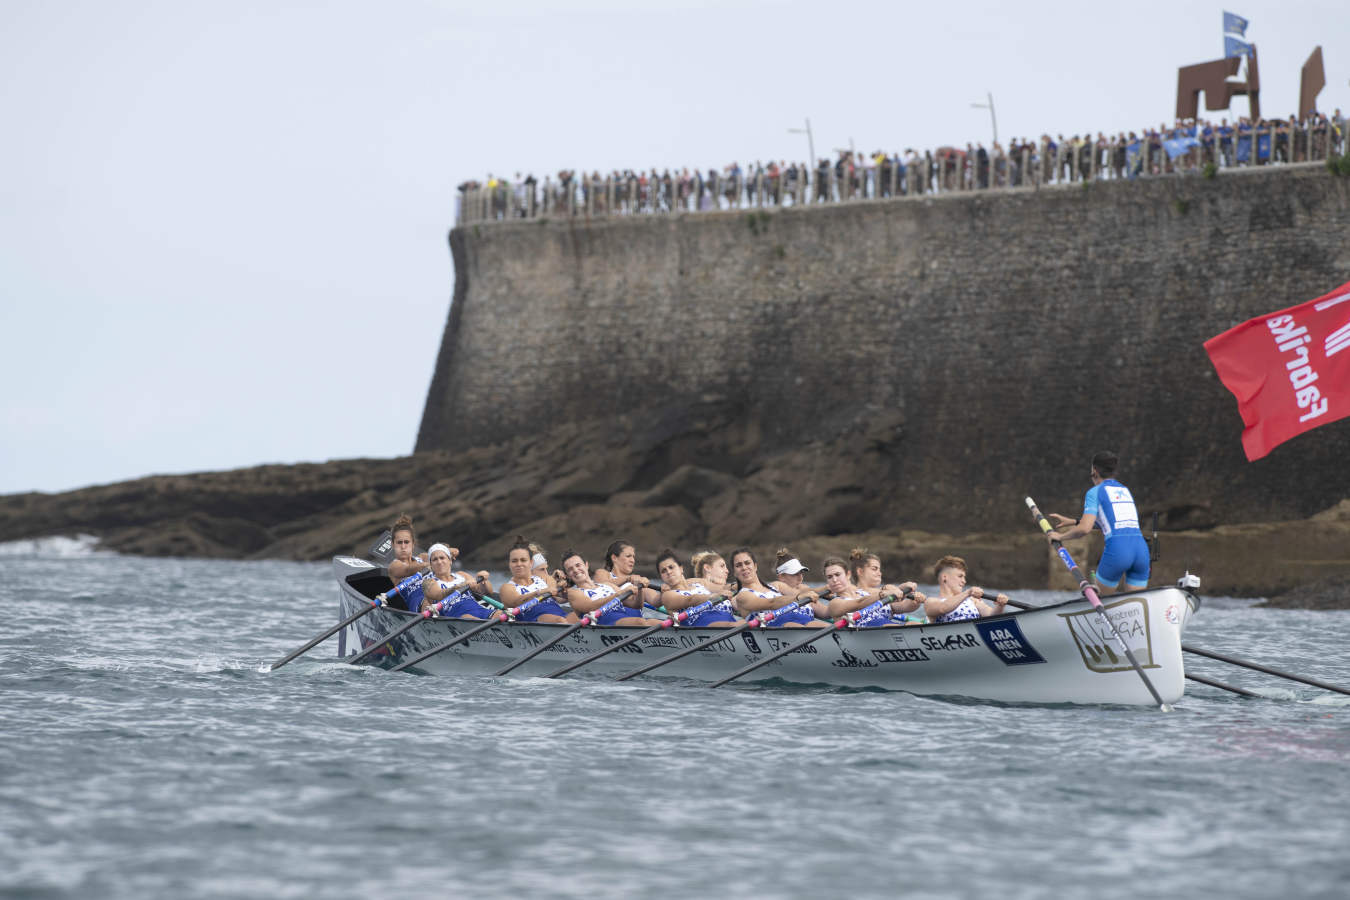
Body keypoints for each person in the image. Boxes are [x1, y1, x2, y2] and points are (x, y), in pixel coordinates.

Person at [1046, 450, 1151, 594]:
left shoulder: (1094, 492)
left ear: (1094, 471)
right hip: (1141, 551)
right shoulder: (1125, 490)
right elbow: (1111, 523)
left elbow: (1084, 529)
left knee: (1100, 604)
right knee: (1135, 606)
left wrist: (1060, 537)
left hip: (1118, 552)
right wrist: (1074, 521)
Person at [730, 547, 825, 627]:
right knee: (801, 625)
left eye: (747, 563)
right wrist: (797, 598)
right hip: (784, 627)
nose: (744, 568)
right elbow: (771, 603)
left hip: (805, 622)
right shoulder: (743, 596)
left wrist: (826, 590)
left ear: (755, 566)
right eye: (738, 565)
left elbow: (801, 592)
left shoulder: (776, 586)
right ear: (734, 572)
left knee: (817, 623)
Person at [559, 549, 649, 626]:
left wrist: (640, 589)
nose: (575, 570)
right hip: (607, 622)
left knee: (657, 622)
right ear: (568, 575)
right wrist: (619, 593)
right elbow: (590, 607)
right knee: (641, 623)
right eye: (570, 569)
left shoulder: (607, 585)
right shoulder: (573, 592)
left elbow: (636, 605)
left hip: (626, 616)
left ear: (586, 565)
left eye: (578, 565)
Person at [499, 537, 576, 624]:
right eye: (542, 569)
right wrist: (539, 592)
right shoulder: (507, 587)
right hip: (537, 618)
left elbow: (562, 598)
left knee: (579, 616)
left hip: (561, 616)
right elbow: (516, 602)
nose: (546, 573)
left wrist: (567, 586)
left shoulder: (544, 580)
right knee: (560, 620)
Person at [821, 556, 915, 627]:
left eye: (837, 575)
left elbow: (900, 607)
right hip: (871, 631)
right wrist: (883, 594)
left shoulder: (867, 593)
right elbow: (859, 603)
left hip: (889, 626)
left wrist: (911, 597)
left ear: (848, 575)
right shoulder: (835, 603)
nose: (834, 580)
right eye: (829, 577)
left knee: (914, 624)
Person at [655, 549, 739, 626]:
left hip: (728, 619)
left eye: (671, 567)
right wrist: (713, 596)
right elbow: (690, 600)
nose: (668, 572)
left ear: (681, 568)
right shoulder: (668, 595)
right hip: (706, 624)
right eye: (663, 571)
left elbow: (723, 588)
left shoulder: (698, 583)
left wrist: (737, 585)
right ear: (661, 577)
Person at [924, 555, 1009, 623]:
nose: (964, 581)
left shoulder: (973, 601)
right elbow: (943, 608)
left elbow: (991, 615)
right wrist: (967, 592)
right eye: (960, 576)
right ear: (944, 577)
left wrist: (1000, 606)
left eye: (964, 577)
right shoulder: (931, 602)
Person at [421, 543, 495, 618]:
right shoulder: (429, 582)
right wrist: (462, 585)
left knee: (500, 613)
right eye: (435, 559)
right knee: (468, 618)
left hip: (482, 611)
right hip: (459, 617)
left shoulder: (462, 575)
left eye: (442, 558)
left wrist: (483, 580)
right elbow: (439, 594)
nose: (439, 562)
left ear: (450, 561)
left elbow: (488, 591)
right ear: (431, 565)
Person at [848, 548, 925, 619]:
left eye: (879, 569)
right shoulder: (852, 594)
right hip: (866, 629)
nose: (880, 573)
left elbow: (903, 606)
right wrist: (899, 588)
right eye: (874, 569)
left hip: (886, 628)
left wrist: (915, 601)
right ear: (860, 571)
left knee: (912, 623)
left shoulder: (886, 593)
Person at [595, 539, 661, 609]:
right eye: (628, 556)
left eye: (633, 557)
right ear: (614, 558)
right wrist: (627, 579)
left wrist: (665, 592)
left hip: (636, 618)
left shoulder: (638, 581)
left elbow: (656, 601)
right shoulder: (602, 573)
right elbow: (604, 584)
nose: (632, 560)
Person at [768, 548, 830, 619]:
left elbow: (825, 612)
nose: (800, 578)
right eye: (795, 574)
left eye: (801, 573)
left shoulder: (805, 591)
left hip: (807, 626)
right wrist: (822, 589)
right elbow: (794, 592)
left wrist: (841, 604)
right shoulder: (776, 585)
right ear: (781, 577)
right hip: (786, 625)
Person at [386, 514, 429, 581]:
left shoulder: (423, 557)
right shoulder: (394, 566)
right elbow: (408, 570)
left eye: (406, 542)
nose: (403, 547)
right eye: (399, 542)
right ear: (392, 544)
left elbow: (443, 553)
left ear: (413, 543)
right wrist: (432, 564)